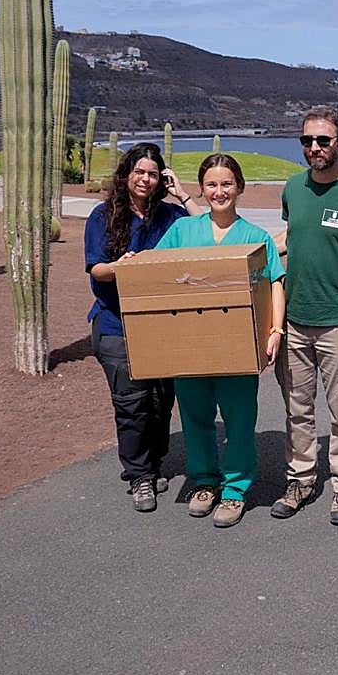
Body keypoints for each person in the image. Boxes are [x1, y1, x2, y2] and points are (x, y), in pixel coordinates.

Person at [153, 154, 286, 528]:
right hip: (190, 344)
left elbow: (275, 282)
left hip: (239, 343)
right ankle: (205, 482)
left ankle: (234, 490)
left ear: (239, 188)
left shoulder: (256, 238)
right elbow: (155, 272)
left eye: (227, 184)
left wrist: (275, 330)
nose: (219, 191)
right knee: (195, 416)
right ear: (202, 189)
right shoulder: (182, 231)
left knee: (240, 418)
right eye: (211, 184)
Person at [84, 141, 202, 512]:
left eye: (153, 174)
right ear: (126, 175)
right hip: (116, 324)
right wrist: (122, 266)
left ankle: (152, 463)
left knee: (161, 401)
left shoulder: (169, 216)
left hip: (161, 326)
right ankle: (139, 477)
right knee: (132, 403)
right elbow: (97, 270)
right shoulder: (102, 216)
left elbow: (204, 228)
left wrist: (182, 194)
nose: (146, 179)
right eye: (139, 172)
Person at [272, 106, 338, 525]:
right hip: (294, 320)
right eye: (307, 141)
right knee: (297, 408)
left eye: (322, 140)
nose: (314, 148)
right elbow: (289, 238)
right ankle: (300, 478)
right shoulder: (293, 188)